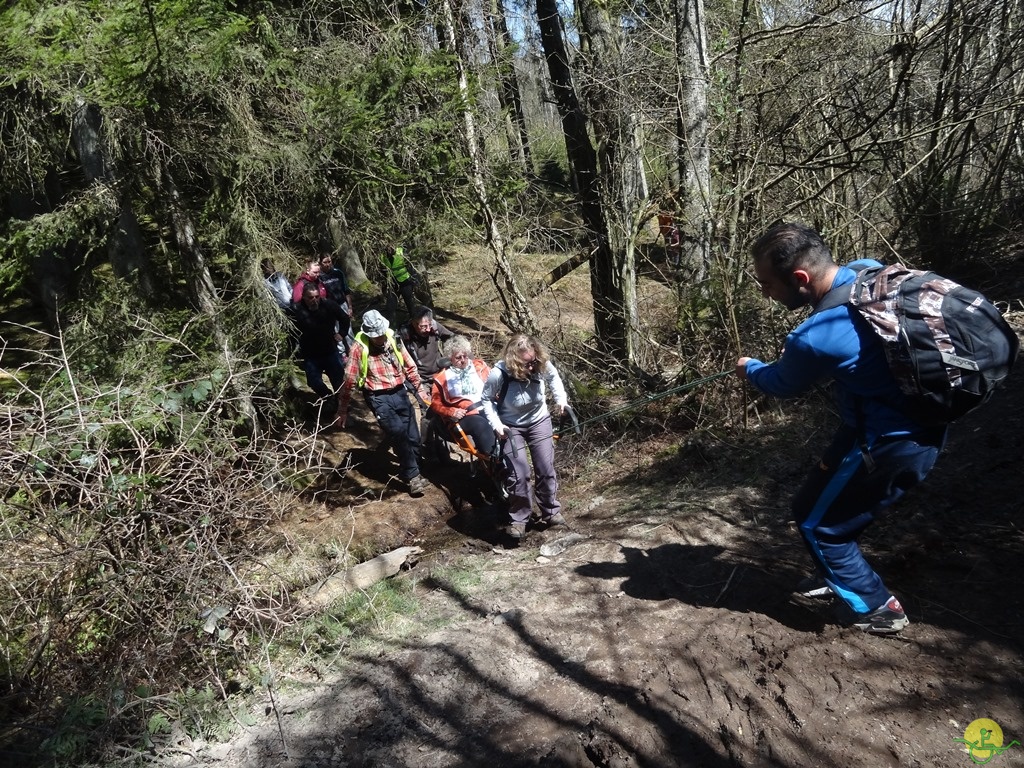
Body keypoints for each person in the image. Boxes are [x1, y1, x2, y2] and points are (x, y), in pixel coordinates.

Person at [735, 222, 947, 635]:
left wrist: (750, 368)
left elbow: (782, 383)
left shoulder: (813, 337)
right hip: (884, 424)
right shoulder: (865, 271)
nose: (765, 293)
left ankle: (876, 608)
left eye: (766, 284)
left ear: (800, 279)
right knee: (806, 508)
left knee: (822, 527)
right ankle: (837, 577)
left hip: (891, 441)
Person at [482, 334, 569, 540]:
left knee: (545, 468)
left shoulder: (540, 363)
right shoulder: (498, 374)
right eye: (526, 364)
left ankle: (550, 511)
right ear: (514, 361)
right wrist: (497, 425)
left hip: (539, 421)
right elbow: (485, 400)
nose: (531, 367)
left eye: (533, 362)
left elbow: (554, 378)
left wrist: (561, 400)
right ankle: (520, 519)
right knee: (518, 473)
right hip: (511, 427)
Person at [336, 310, 428, 497]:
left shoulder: (393, 338)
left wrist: (419, 389)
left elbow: (409, 365)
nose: (380, 338)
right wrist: (343, 409)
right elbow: (350, 380)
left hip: (400, 392)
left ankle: (411, 469)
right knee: (399, 434)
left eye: (381, 333)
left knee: (413, 437)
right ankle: (413, 477)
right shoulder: (359, 348)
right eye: (376, 335)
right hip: (378, 398)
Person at [430, 335, 495, 457]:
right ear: (450, 358)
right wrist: (451, 411)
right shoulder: (443, 377)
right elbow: (435, 403)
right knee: (480, 424)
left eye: (465, 355)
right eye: (458, 357)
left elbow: (496, 382)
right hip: (466, 416)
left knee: (505, 417)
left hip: (488, 407)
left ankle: (510, 455)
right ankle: (494, 459)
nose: (463, 360)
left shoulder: (479, 366)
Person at [291, 283, 350, 402]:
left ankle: (342, 407)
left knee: (339, 382)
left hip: (330, 351)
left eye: (317, 297)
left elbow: (344, 318)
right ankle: (329, 399)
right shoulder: (296, 310)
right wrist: (294, 351)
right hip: (310, 355)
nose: (314, 300)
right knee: (314, 382)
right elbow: (290, 332)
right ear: (303, 297)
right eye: (311, 298)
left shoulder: (329, 305)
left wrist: (341, 333)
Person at [399, 306, 454, 403]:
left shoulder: (435, 326)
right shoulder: (405, 335)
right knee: (428, 409)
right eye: (423, 326)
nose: (428, 329)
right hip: (421, 380)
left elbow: (453, 339)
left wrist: (451, 356)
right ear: (413, 323)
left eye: (429, 325)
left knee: (448, 403)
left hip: (440, 374)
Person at [381, 245, 417, 318]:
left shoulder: (401, 251)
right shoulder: (382, 256)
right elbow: (382, 271)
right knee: (390, 307)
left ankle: (414, 321)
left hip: (405, 282)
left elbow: (411, 266)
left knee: (410, 305)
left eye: (390, 246)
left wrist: (414, 280)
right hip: (393, 285)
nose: (389, 249)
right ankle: (392, 326)